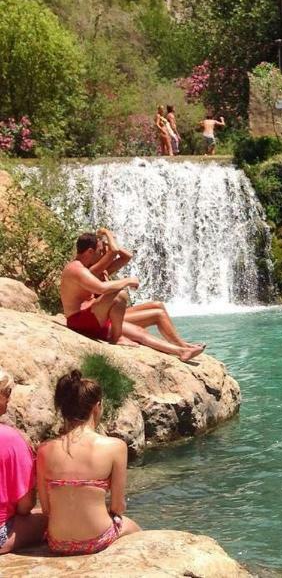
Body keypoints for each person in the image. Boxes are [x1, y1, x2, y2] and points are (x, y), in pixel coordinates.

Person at [36, 370, 141, 556]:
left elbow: (46, 509)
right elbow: (117, 506)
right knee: (136, 531)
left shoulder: (44, 450)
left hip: (57, 543)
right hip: (97, 539)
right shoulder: (115, 447)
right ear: (97, 407)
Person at [60, 231, 205, 361]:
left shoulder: (85, 268)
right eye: (100, 250)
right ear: (90, 251)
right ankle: (117, 338)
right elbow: (101, 288)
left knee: (140, 331)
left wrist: (107, 241)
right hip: (80, 320)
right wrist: (127, 280)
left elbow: (124, 256)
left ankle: (182, 350)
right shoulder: (78, 270)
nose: (103, 252)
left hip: (95, 316)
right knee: (120, 295)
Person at [0, 369, 46, 555]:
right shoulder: (12, 439)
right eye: (7, 393)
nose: (10, 399)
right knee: (53, 519)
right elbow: (25, 505)